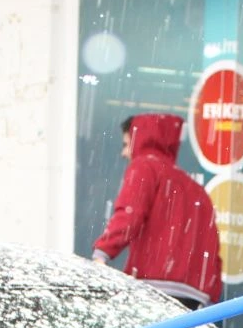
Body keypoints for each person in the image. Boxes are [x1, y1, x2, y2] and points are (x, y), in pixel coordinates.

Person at [92, 114, 223, 308]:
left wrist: (101, 253)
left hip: (153, 287)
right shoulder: (195, 189)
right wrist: (211, 292)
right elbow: (211, 245)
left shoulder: (144, 167)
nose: (124, 153)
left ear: (140, 140)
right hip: (194, 297)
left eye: (127, 144)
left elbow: (130, 215)